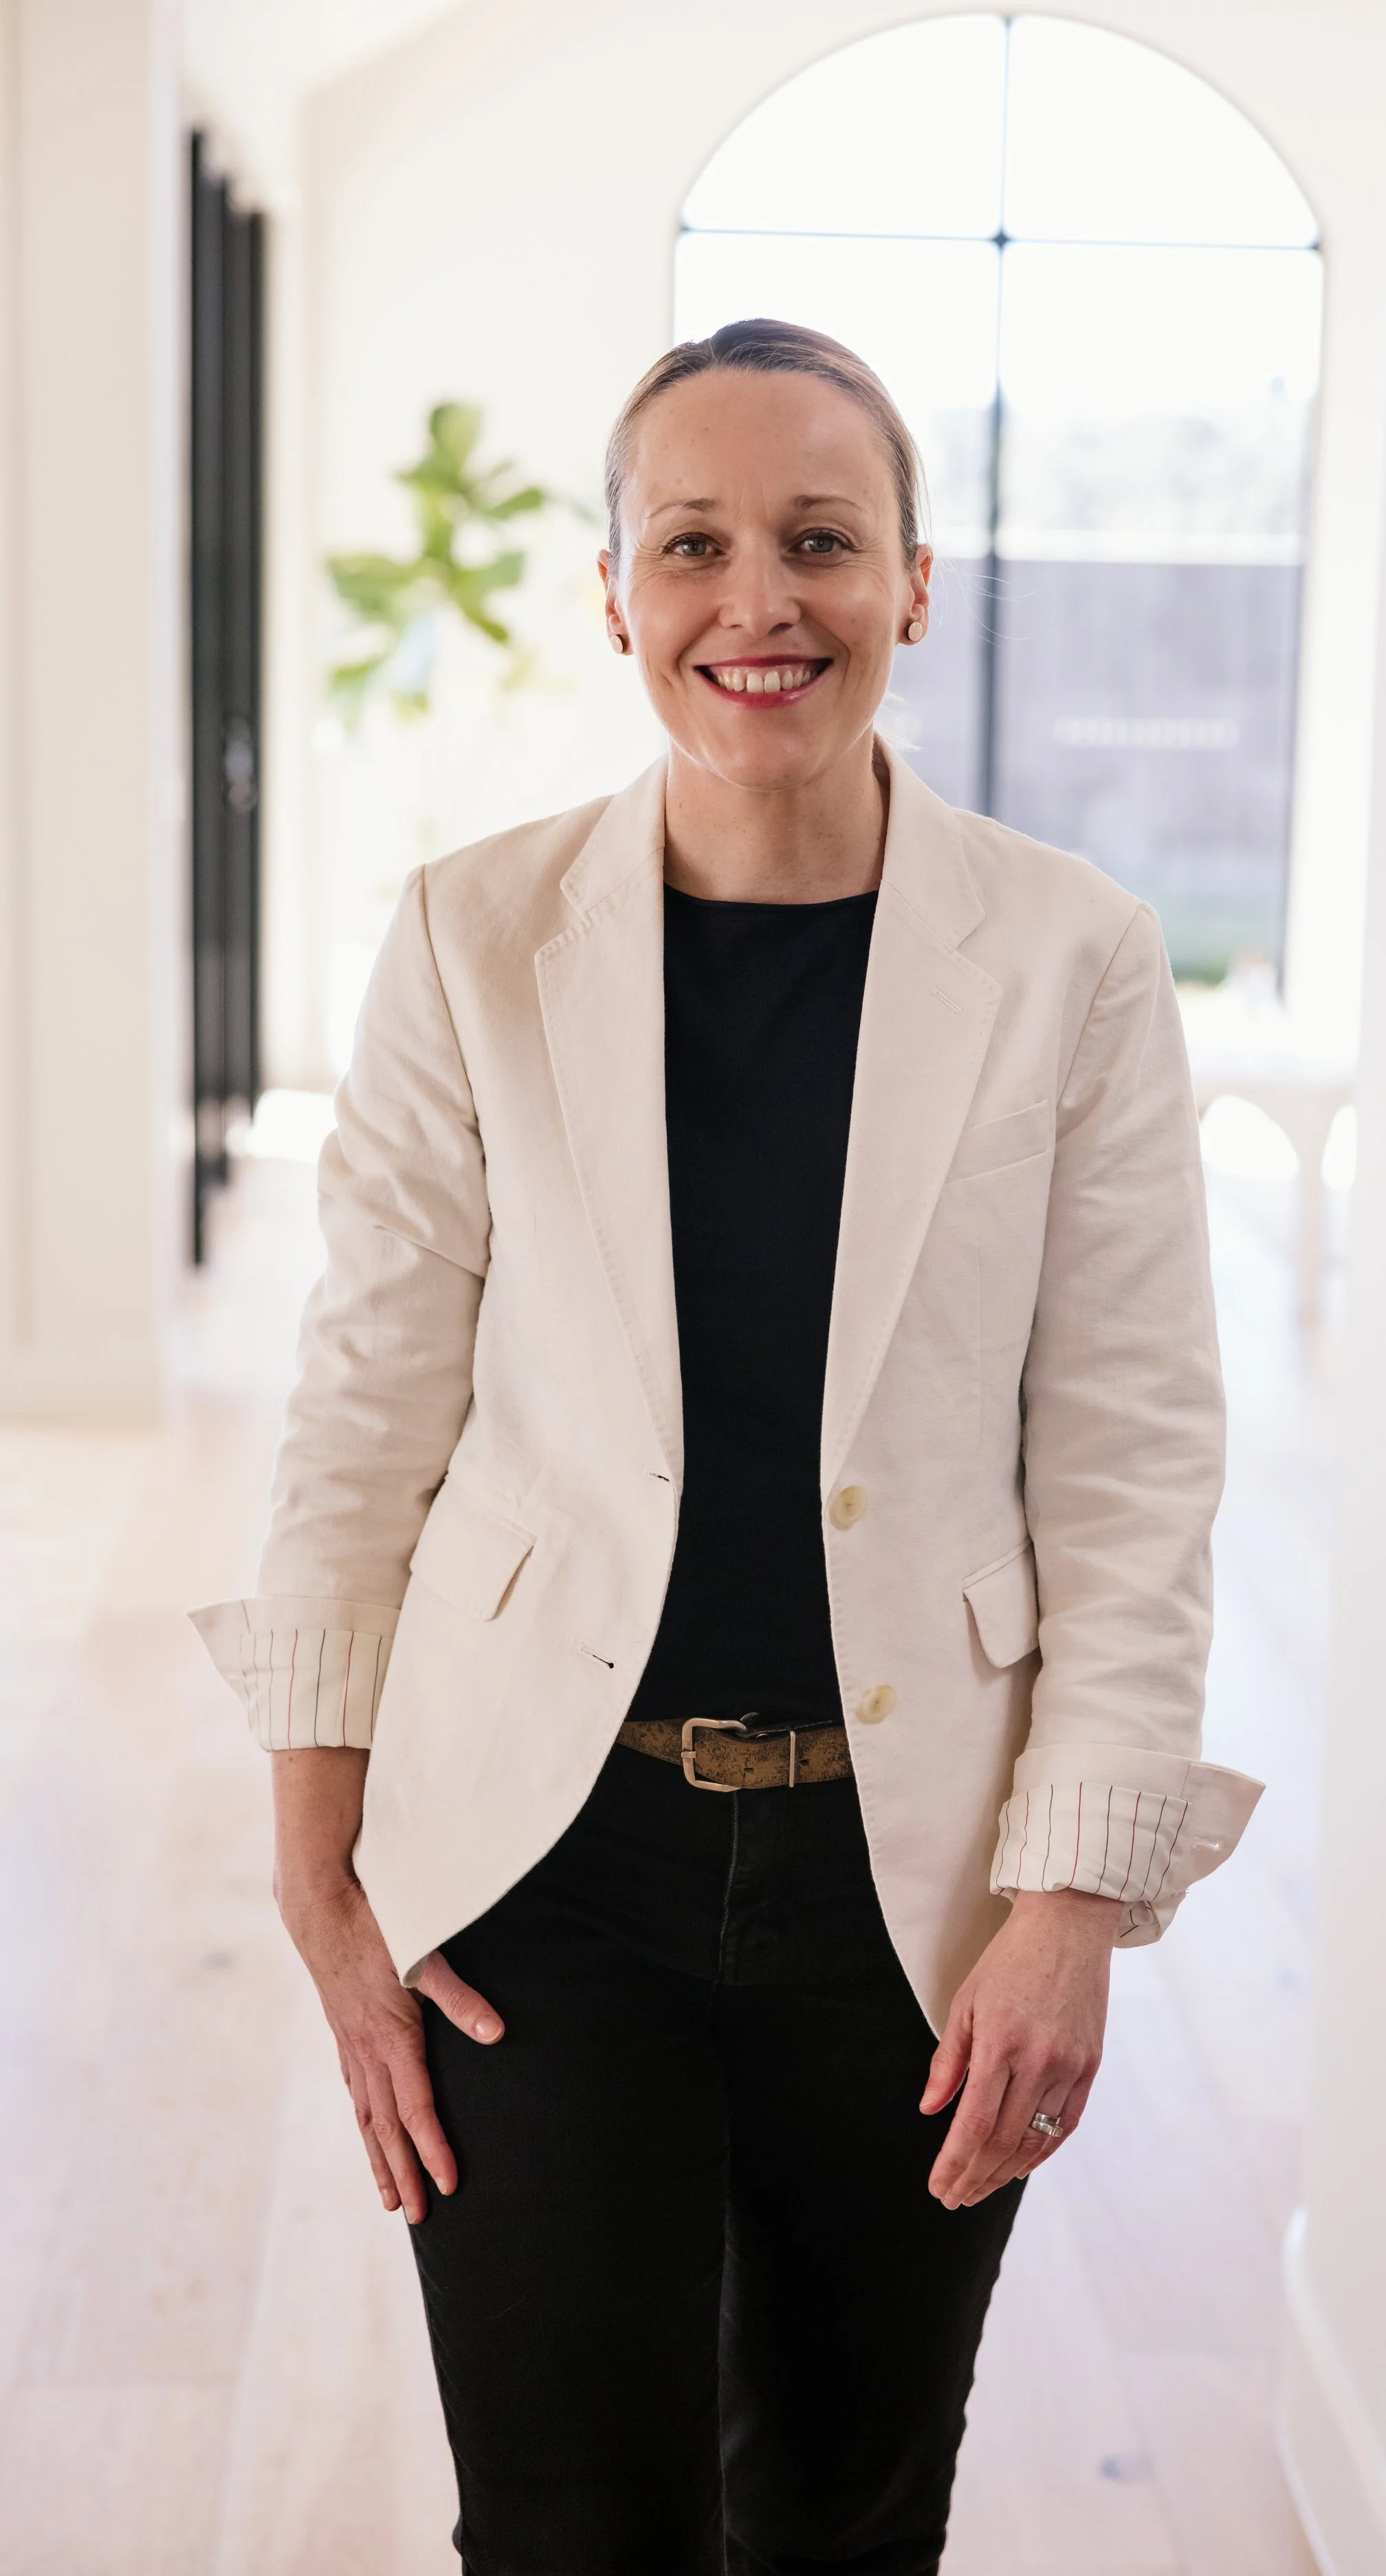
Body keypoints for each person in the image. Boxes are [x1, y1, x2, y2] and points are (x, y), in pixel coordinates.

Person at [192, 317, 1262, 2576]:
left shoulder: (1071, 956)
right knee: (574, 2521)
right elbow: (366, 1410)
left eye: (819, 541)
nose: (754, 600)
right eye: (693, 543)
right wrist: (321, 1869)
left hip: (918, 1879)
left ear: (915, 583)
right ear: (613, 590)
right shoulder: (473, 935)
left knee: (847, 2520)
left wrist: (1070, 1901)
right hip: (536, 1866)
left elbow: (1133, 1462)